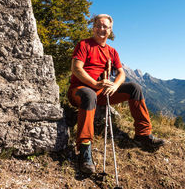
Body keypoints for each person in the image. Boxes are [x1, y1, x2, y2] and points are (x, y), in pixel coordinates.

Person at [67, 14, 165, 174]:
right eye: (98, 25)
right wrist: (95, 84)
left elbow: (121, 73)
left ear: (110, 30)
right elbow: (76, 68)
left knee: (134, 87)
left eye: (105, 26)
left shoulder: (112, 52)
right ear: (93, 27)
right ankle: (84, 150)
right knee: (89, 95)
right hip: (79, 91)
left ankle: (143, 134)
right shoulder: (84, 45)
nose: (101, 29)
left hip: (102, 92)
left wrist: (115, 85)